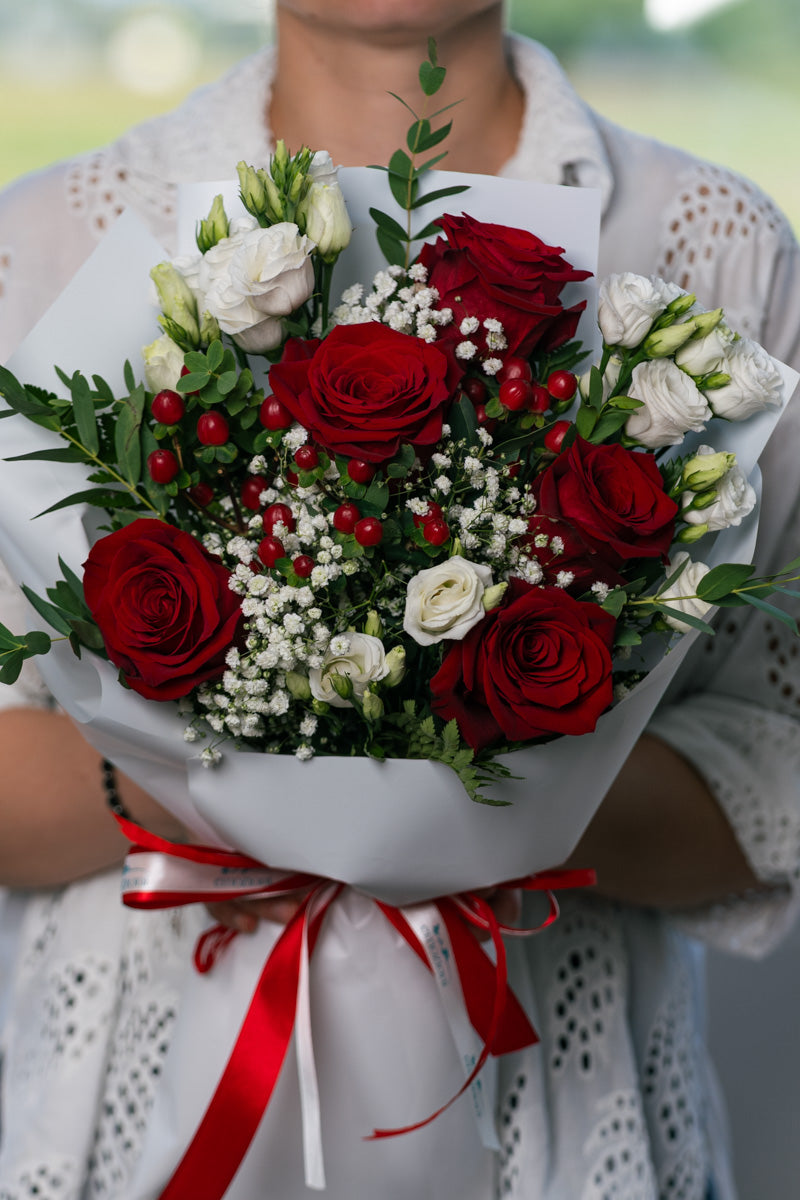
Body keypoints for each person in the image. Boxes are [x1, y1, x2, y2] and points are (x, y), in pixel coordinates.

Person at [0, 1, 798, 1196]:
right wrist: (211, 785)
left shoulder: (716, 241)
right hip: (138, 1104)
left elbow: (773, 761)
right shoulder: (42, 237)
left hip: (560, 1126)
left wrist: (475, 805)